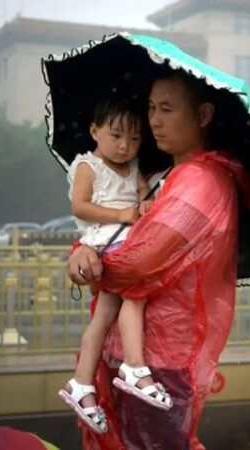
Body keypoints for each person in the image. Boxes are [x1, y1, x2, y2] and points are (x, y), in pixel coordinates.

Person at [68, 69, 250, 449]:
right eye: (152, 107)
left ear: (203, 115)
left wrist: (90, 260)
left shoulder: (202, 182)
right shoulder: (158, 176)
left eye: (167, 109)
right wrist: (83, 251)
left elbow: (140, 262)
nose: (153, 119)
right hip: (126, 355)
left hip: (162, 361)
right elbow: (117, 240)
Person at [58, 97, 173, 435]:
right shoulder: (88, 166)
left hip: (126, 239)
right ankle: (134, 367)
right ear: (95, 131)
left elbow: (140, 196)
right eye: (116, 135)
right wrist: (122, 214)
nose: (125, 146)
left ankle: (81, 384)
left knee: (104, 316)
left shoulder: (134, 166)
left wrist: (146, 204)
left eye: (135, 138)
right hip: (107, 243)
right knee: (135, 297)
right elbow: (80, 207)